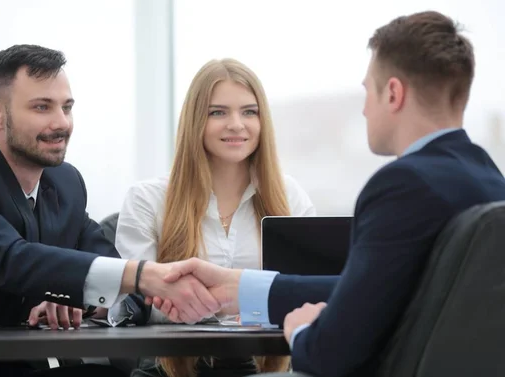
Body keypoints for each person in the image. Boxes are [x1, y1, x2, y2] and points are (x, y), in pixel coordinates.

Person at [152, 10, 505, 377]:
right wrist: (242, 288)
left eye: (368, 90)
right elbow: (375, 287)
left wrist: (301, 330)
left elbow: (328, 354)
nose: (365, 109)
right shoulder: (490, 182)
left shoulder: (402, 186)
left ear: (394, 93)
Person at [0, 44, 220, 377]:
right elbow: (9, 259)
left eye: (66, 107)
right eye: (42, 107)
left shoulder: (65, 184)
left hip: (17, 365)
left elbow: (109, 269)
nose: (61, 123)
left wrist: (82, 297)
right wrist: (145, 276)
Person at [114, 58, 315, 377]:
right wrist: (242, 303)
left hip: (268, 370)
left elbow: (308, 294)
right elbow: (135, 302)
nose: (236, 124)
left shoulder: (290, 196)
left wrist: (207, 302)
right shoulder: (148, 199)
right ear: (195, 120)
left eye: (249, 111)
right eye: (217, 112)